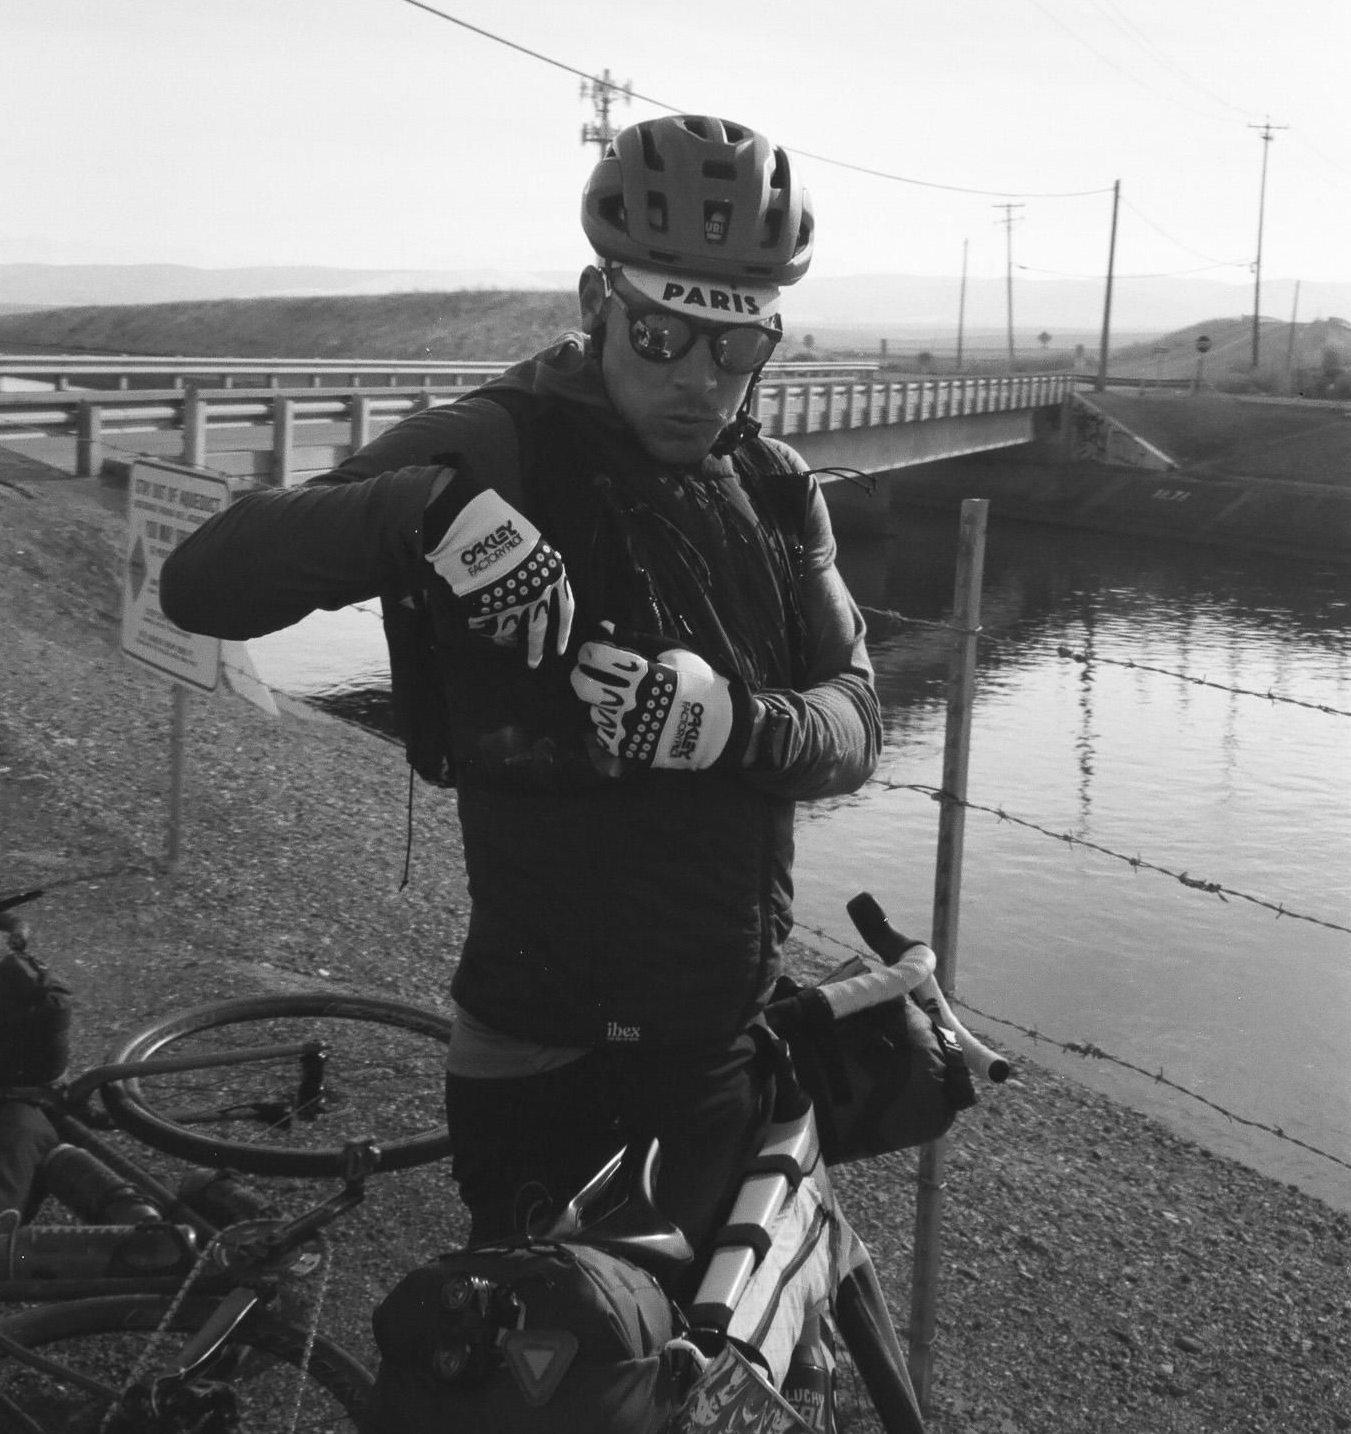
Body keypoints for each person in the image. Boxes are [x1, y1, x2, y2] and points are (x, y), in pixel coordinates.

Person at [160, 113, 882, 1257]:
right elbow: (203, 583)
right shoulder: (497, 444)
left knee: (694, 1373)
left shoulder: (775, 483)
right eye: (660, 334)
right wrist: (422, 513)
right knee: (551, 1379)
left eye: (735, 348)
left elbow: (856, 718)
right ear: (599, 303)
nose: (699, 381)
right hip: (536, 1040)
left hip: (714, 1029)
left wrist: (733, 723)